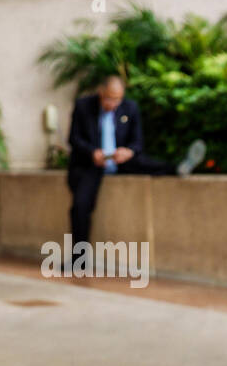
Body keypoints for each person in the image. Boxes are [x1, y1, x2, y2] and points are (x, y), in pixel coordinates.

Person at [66, 74, 205, 267]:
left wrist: (128, 151)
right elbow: (73, 139)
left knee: (148, 163)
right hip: (92, 164)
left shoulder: (129, 108)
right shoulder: (83, 106)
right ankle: (78, 259)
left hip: (121, 160)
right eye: (109, 98)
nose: (112, 103)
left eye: (117, 99)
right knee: (81, 206)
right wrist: (92, 152)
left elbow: (138, 142)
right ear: (100, 92)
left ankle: (178, 168)